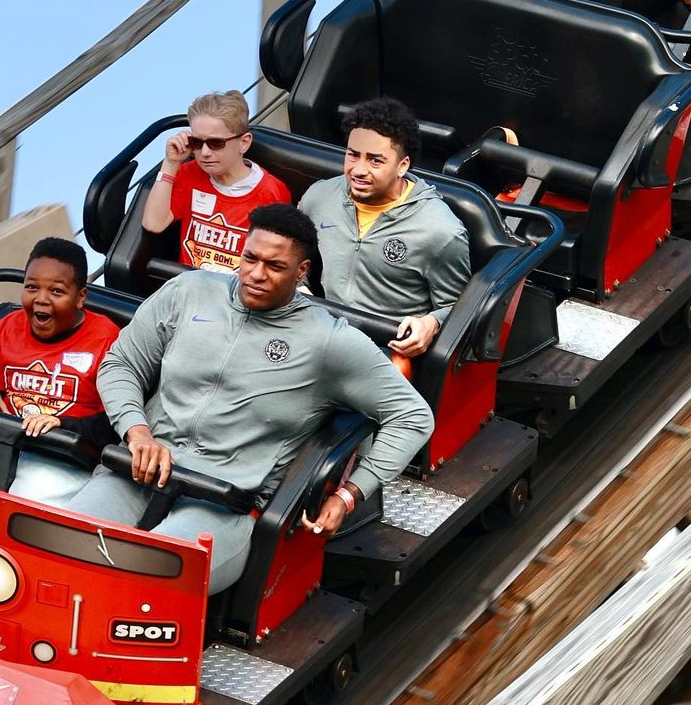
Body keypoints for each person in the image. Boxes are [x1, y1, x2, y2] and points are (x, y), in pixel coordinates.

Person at [62, 204, 433, 594]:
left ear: (301, 271)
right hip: (135, 474)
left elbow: (412, 416)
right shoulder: (189, 291)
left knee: (147, 578)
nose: (256, 274)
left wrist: (348, 494)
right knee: (61, 545)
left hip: (224, 504)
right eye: (250, 258)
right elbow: (121, 364)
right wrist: (137, 432)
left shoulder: (330, 341)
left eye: (274, 266)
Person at [0, 237, 119, 503]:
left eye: (56, 291)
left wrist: (64, 425)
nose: (41, 299)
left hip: (63, 457)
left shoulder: (107, 339)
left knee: (25, 505)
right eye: (32, 287)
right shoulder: (6, 327)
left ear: (80, 298)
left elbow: (113, 422)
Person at [298, 97, 471, 357]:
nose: (358, 170)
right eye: (353, 155)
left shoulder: (440, 231)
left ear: (403, 166)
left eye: (375, 160)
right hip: (319, 332)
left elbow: (461, 309)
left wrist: (432, 323)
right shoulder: (320, 197)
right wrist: (296, 285)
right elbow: (294, 254)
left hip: (386, 351)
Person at [141, 90, 292, 274]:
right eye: (197, 142)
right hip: (186, 283)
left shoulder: (273, 192)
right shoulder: (189, 173)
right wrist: (171, 163)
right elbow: (153, 224)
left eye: (216, 143)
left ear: (244, 143)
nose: (205, 152)